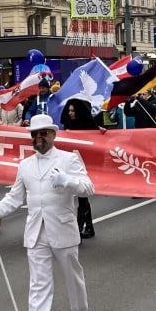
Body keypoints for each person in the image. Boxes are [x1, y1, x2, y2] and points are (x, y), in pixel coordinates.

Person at [0, 115, 94, 311]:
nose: (39, 137)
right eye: (35, 133)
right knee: (38, 284)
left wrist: (67, 181)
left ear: (53, 134)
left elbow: (88, 187)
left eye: (43, 133)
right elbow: (15, 197)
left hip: (62, 228)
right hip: (36, 231)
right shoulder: (26, 165)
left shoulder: (69, 159)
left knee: (73, 277)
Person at [60, 98, 100, 240]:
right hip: (71, 164)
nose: (70, 113)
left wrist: (100, 132)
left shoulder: (88, 125)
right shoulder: (68, 124)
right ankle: (88, 227)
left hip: (84, 165)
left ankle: (78, 229)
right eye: (69, 110)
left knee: (82, 197)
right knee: (81, 198)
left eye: (73, 111)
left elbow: (95, 142)